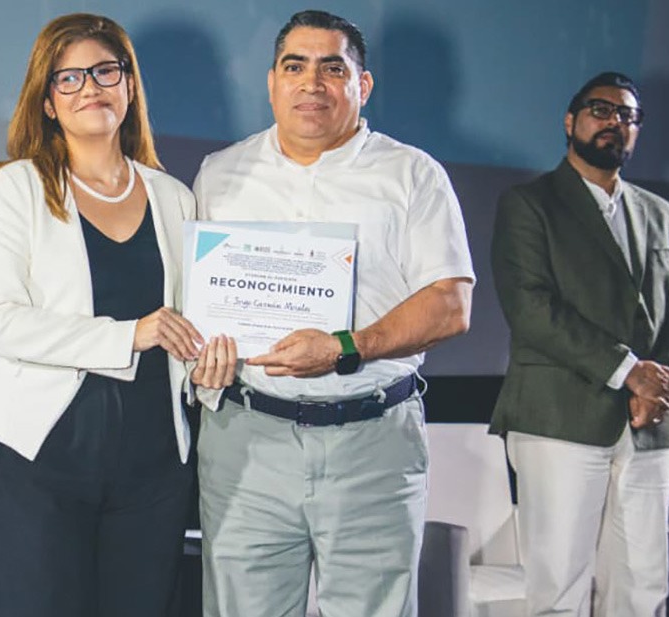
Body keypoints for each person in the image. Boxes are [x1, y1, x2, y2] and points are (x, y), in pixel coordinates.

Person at [192, 10, 475, 617]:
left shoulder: (413, 174)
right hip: (247, 441)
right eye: (295, 66)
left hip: (372, 441)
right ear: (273, 81)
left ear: (362, 85)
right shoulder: (221, 173)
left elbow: (451, 304)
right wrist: (202, 359)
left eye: (332, 68)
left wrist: (346, 346)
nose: (311, 83)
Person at [0, 13, 233, 617]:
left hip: (153, 462)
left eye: (106, 72)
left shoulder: (174, 197)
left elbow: (191, 328)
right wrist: (129, 334)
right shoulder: (17, 187)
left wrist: (208, 370)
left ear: (129, 86)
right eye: (69, 78)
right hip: (41, 455)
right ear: (48, 102)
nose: (90, 88)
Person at [489, 71, 669, 616]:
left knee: (644, 589)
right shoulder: (529, 204)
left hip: (648, 423)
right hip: (559, 418)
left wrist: (658, 383)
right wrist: (630, 371)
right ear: (571, 121)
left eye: (628, 116)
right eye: (601, 110)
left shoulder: (661, 213)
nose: (615, 122)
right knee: (559, 590)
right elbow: (531, 308)